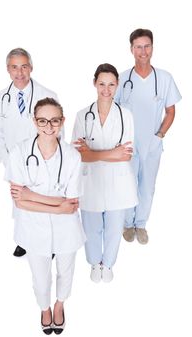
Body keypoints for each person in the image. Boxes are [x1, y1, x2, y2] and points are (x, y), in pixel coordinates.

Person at [5, 97, 86, 334]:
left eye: (54, 121)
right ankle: (44, 308)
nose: (48, 126)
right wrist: (56, 206)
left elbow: (71, 203)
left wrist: (32, 195)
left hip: (66, 229)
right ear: (34, 121)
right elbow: (19, 202)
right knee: (40, 278)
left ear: (62, 122)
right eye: (42, 120)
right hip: (32, 228)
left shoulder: (72, 156)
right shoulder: (20, 152)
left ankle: (60, 305)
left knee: (66, 271)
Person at [72, 63, 138, 283]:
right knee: (91, 228)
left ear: (117, 85)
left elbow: (126, 155)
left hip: (118, 183)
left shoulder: (125, 115)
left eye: (111, 84)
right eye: (102, 84)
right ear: (94, 84)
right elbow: (79, 155)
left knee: (113, 228)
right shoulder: (83, 116)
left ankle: (108, 264)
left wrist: (95, 153)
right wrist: (112, 153)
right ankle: (94, 263)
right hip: (90, 182)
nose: (106, 89)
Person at [115, 28, 182, 244]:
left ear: (152, 47)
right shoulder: (122, 79)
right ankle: (127, 223)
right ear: (131, 49)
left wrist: (159, 135)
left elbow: (171, 111)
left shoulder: (164, 78)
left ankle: (141, 224)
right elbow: (112, 111)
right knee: (127, 185)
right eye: (138, 47)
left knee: (147, 187)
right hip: (127, 144)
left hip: (152, 143)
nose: (143, 51)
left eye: (147, 46)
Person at [0, 48, 58, 257]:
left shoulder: (47, 95)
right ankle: (24, 241)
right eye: (14, 67)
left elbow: (57, 129)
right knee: (20, 202)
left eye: (24, 66)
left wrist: (52, 159)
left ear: (31, 67)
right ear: (8, 70)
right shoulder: (1, 98)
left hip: (44, 158)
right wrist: (6, 159)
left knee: (44, 201)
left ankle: (50, 244)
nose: (19, 72)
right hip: (15, 161)